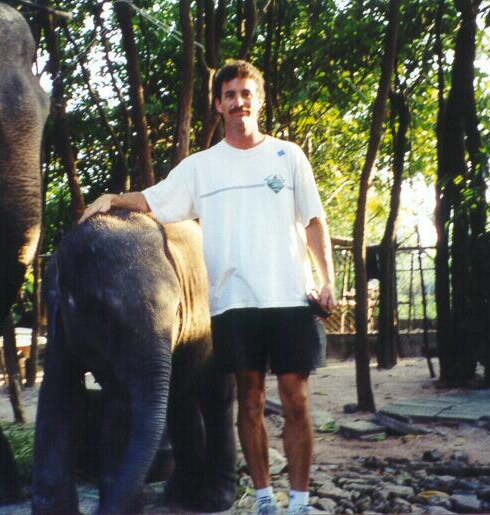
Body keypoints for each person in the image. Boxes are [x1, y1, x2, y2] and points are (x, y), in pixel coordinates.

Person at [80, 60, 336, 515]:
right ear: (218, 105)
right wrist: (111, 199)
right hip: (233, 304)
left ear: (260, 100)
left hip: (291, 298)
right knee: (250, 402)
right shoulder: (201, 167)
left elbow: (315, 221)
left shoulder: (288, 155)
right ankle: (263, 500)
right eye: (231, 95)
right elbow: (154, 200)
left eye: (247, 93)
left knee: (297, 400)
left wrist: (327, 281)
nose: (240, 102)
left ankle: (298, 502)